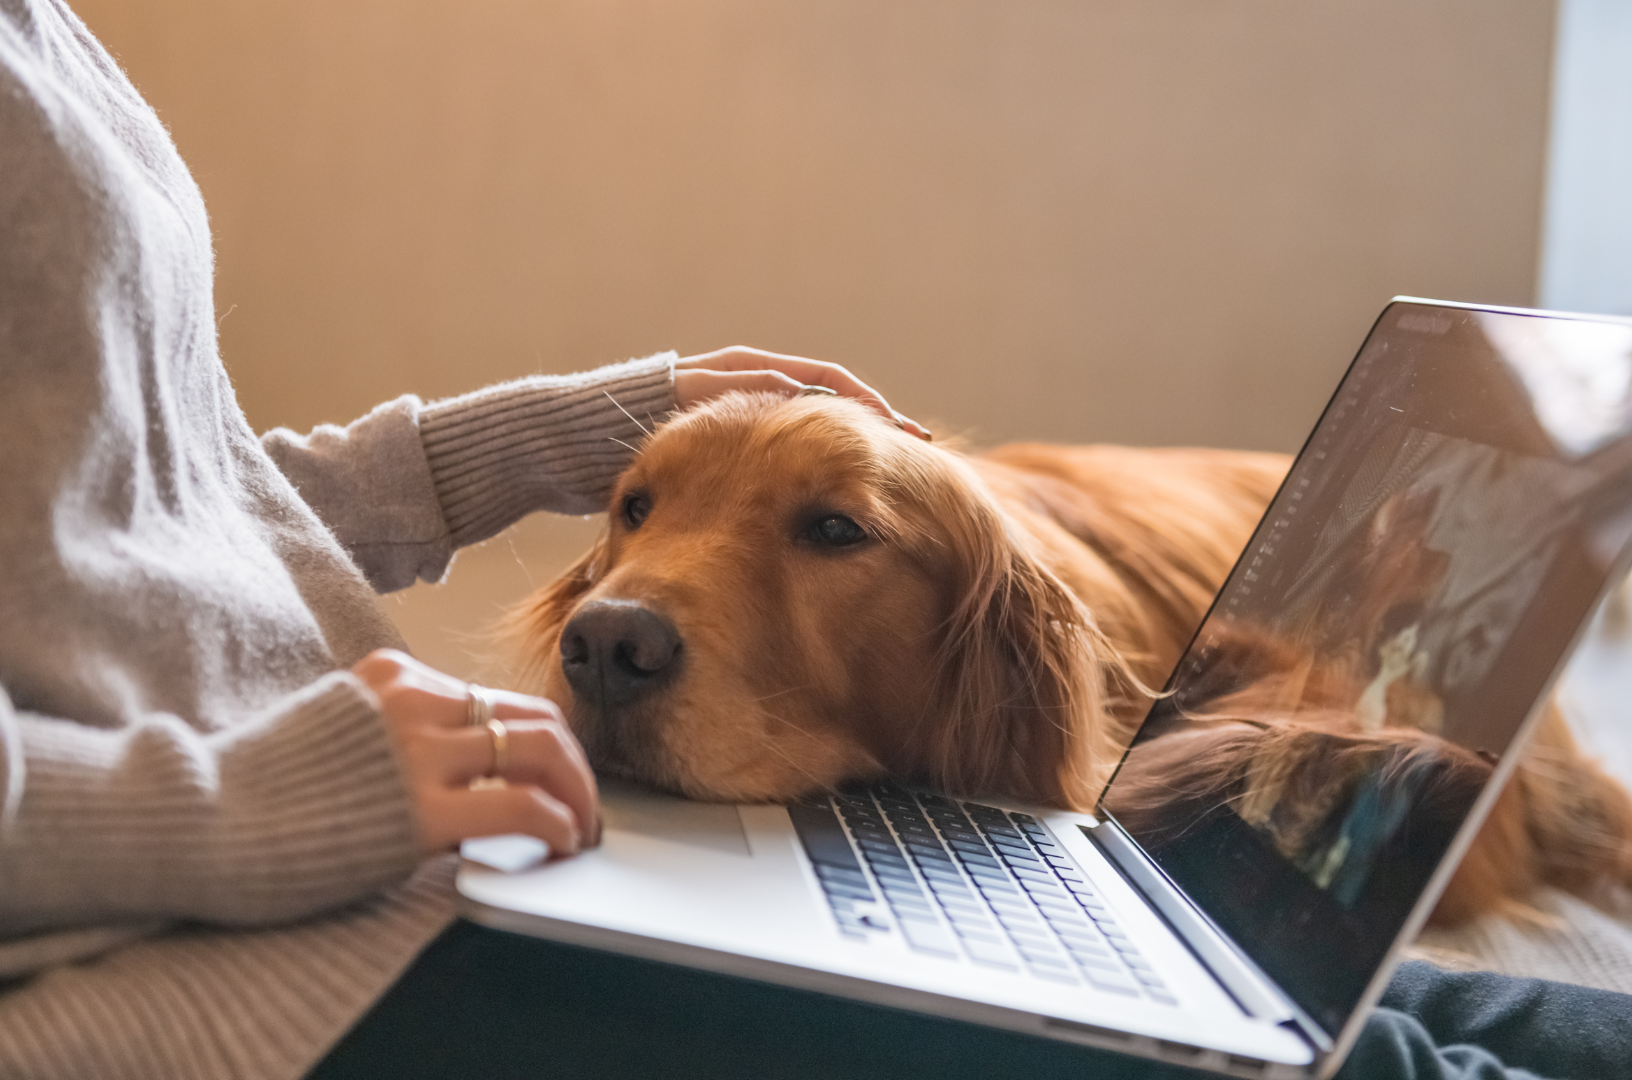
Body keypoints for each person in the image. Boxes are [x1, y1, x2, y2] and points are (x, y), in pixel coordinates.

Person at [3, 2, 1630, 1078]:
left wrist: (568, 437)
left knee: (1297, 993)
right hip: (181, 949)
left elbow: (129, 482)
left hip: (342, 831)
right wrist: (247, 808)